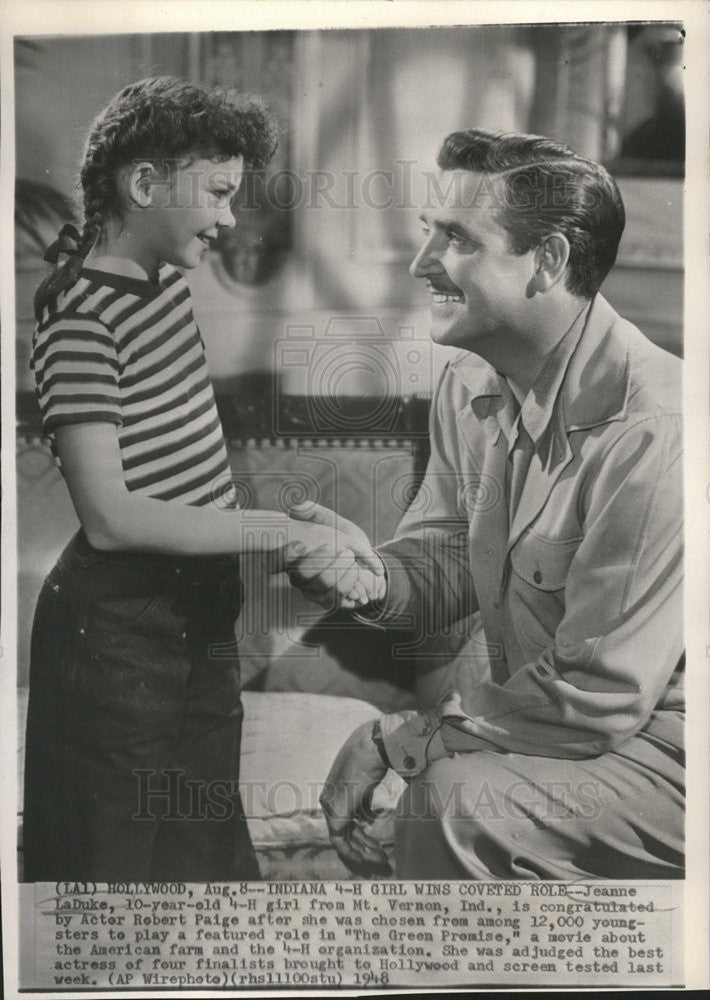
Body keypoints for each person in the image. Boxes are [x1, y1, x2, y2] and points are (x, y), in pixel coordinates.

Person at [280, 129, 684, 880]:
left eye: (457, 237)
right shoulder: (468, 383)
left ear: (550, 260)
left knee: (453, 799)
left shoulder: (656, 430)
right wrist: (370, 576)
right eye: (430, 231)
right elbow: (447, 554)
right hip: (577, 733)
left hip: (669, 753)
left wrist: (399, 740)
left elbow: (600, 695)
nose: (421, 262)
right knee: (449, 793)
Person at [23, 76, 382, 882]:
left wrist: (304, 529)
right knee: (114, 869)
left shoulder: (163, 290)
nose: (228, 218)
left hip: (199, 611)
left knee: (207, 853)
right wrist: (278, 533)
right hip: (114, 634)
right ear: (144, 185)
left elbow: (187, 477)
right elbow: (112, 518)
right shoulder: (81, 316)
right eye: (217, 193)